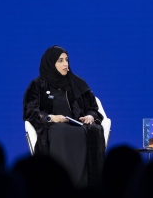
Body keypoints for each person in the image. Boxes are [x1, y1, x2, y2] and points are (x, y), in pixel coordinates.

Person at [23, 45, 105, 190]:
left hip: (79, 126)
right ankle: (62, 185)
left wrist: (90, 117)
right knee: (61, 132)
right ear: (50, 63)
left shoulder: (77, 83)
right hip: (53, 127)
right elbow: (30, 111)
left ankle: (83, 187)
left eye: (66, 60)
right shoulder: (37, 86)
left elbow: (94, 109)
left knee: (89, 132)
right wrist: (51, 118)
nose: (65, 64)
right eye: (60, 60)